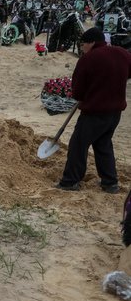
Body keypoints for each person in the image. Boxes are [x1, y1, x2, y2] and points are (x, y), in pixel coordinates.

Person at [56, 27, 131, 193]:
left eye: (83, 44)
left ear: (91, 42)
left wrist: (88, 92)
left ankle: (70, 181)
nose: (82, 48)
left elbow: (77, 91)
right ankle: (110, 183)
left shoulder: (88, 59)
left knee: (78, 145)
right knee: (103, 144)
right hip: (115, 112)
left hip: (94, 112)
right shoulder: (123, 53)